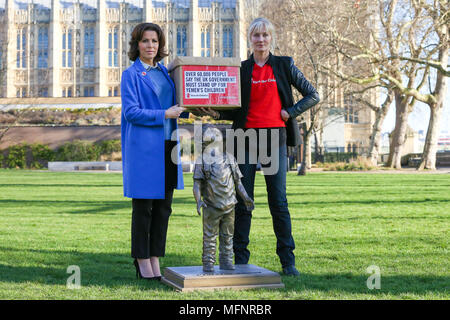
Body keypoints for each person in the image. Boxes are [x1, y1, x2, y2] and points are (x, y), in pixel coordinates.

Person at [202, 18, 320, 276]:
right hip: (243, 138)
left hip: (274, 138)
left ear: (271, 38)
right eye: (256, 35)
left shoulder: (284, 65)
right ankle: (240, 258)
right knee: (243, 200)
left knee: (278, 201)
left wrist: (290, 111)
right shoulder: (241, 69)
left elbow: (313, 94)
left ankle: (288, 261)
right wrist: (216, 113)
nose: (261, 39)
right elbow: (234, 109)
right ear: (250, 39)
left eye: (265, 35)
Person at [121, 23, 186, 280]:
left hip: (168, 146)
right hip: (145, 150)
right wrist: (164, 114)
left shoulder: (165, 73)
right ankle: (141, 260)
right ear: (137, 44)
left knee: (163, 209)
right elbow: (131, 112)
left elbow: (176, 106)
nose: (151, 46)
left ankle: (155, 258)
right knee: (144, 208)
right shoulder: (131, 75)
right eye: (146, 41)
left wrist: (202, 108)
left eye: (155, 41)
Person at [193, 125, 254, 272]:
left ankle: (226, 261)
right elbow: (196, 184)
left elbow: (238, 182)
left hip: (229, 206)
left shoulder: (230, 159)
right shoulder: (202, 161)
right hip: (210, 206)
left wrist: (246, 198)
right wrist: (198, 201)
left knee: (228, 237)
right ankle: (208, 263)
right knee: (209, 238)